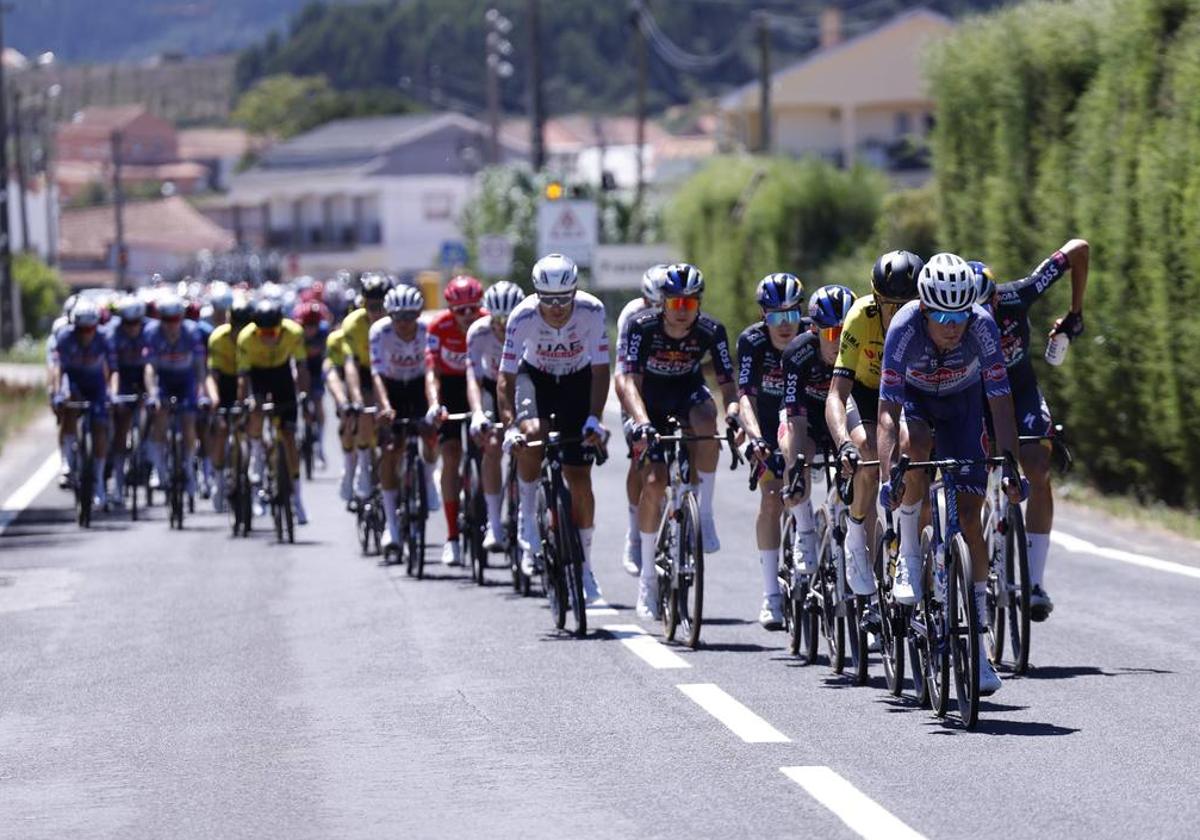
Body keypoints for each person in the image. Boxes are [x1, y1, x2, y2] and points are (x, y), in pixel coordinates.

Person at [877, 252, 1028, 696]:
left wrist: (1010, 466)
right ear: (924, 308)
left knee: (969, 519)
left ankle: (978, 652)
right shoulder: (903, 328)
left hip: (963, 409)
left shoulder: (982, 325)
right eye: (941, 314)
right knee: (914, 446)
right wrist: (890, 477)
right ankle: (908, 552)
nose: (952, 325)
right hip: (918, 407)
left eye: (959, 314)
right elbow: (886, 412)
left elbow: (1000, 402)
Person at [973, 239, 1089, 620]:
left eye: (987, 306)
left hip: (1020, 393)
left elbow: (1078, 249)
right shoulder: (948, 324)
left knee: (1038, 465)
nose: (982, 317)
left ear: (996, 297)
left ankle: (1034, 583)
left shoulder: (1017, 296)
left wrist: (1074, 315)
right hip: (974, 399)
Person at [621, 262, 738, 620]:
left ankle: (703, 514)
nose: (683, 313)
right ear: (663, 304)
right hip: (648, 400)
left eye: (690, 305)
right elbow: (628, 382)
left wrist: (732, 411)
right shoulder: (641, 326)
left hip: (687, 393)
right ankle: (647, 583)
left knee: (708, 421)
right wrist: (640, 422)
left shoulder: (710, 330)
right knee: (654, 483)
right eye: (676, 305)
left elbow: (726, 381)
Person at [497, 254, 611, 604]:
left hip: (577, 381)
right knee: (533, 433)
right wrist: (508, 425)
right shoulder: (523, 316)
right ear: (538, 295)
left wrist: (594, 417)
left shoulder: (592, 311)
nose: (558, 307)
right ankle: (527, 517)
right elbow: (506, 377)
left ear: (576, 291)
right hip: (538, 379)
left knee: (580, 479)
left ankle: (586, 568)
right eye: (549, 299)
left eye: (565, 298)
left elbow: (600, 370)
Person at [826, 250, 924, 596]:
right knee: (867, 454)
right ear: (875, 298)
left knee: (917, 452)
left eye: (906, 304)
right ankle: (855, 536)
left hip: (910, 394)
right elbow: (837, 394)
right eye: (889, 305)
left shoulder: (929, 318)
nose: (897, 314)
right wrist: (845, 445)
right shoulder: (860, 316)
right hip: (867, 395)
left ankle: (916, 554)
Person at [736, 273, 807, 630]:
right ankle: (771, 595)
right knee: (771, 498)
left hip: (801, 417)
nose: (785, 325)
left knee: (802, 488)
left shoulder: (813, 335)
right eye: (776, 317)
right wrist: (752, 436)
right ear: (764, 316)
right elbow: (744, 396)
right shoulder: (751, 341)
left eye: (792, 315)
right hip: (763, 422)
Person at [782, 284, 857, 573]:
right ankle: (804, 531)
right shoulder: (796, 353)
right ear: (814, 330)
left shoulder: (862, 350)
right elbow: (795, 418)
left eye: (845, 332)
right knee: (793, 448)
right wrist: (798, 467)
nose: (839, 341)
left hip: (845, 412)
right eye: (830, 333)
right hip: (806, 416)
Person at [426, 275, 485, 566]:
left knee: (490, 449)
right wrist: (435, 404)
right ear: (450, 309)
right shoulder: (438, 327)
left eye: (472, 308)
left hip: (482, 386)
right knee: (450, 455)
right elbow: (432, 373)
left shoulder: (488, 322)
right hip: (450, 387)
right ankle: (452, 538)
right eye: (459, 310)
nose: (466, 315)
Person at [613, 265, 668, 576]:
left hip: (669, 386)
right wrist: (636, 415)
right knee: (640, 459)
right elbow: (624, 372)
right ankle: (635, 532)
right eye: (654, 305)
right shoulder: (632, 316)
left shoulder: (680, 310)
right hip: (637, 385)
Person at [371, 286, 433, 555]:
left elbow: (432, 371)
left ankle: (428, 479)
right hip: (392, 388)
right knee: (390, 449)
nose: (405, 323)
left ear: (419, 314)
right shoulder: (380, 332)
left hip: (420, 385)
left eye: (411, 316)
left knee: (431, 433)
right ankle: (392, 526)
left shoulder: (427, 330)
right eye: (399, 317)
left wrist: (433, 407)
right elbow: (377, 374)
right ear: (390, 316)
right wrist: (384, 407)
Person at [237, 299, 311, 525]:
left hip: (282, 376)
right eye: (263, 333)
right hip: (258, 376)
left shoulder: (293, 332)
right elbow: (243, 377)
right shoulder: (246, 339)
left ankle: (297, 498)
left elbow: (301, 367)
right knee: (256, 410)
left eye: (273, 332)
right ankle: (257, 458)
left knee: (289, 436)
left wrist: (304, 396)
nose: (268, 337)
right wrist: (243, 404)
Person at [467, 280, 526, 550]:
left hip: (522, 384)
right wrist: (478, 413)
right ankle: (493, 522)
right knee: (491, 445)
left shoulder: (529, 328)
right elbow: (473, 377)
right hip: (491, 386)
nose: (502, 325)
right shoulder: (478, 333)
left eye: (509, 318)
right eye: (497, 318)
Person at [142, 294, 207, 500]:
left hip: (185, 381)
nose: (171, 325)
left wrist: (203, 391)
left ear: (181, 318)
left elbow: (200, 367)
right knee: (159, 416)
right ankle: (158, 468)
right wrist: (152, 393)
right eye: (166, 320)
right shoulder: (152, 332)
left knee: (189, 424)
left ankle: (188, 468)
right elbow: (150, 367)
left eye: (175, 319)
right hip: (164, 381)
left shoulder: (192, 332)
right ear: (160, 319)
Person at [49, 300, 111, 507]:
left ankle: (100, 482)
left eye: (90, 329)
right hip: (73, 383)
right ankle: (67, 460)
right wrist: (58, 392)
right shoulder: (65, 337)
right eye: (81, 329)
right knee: (68, 405)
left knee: (100, 429)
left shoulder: (103, 337)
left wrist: (111, 392)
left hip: (96, 386)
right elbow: (58, 368)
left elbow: (112, 368)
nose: (85, 334)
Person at [341, 273, 393, 501]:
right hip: (364, 372)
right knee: (363, 414)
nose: (378, 312)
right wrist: (357, 400)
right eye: (372, 306)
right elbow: (350, 365)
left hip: (392, 372)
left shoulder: (399, 320)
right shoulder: (352, 324)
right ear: (363, 305)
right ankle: (362, 467)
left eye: (382, 306)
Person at [206, 297, 254, 512]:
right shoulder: (217, 338)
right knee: (222, 430)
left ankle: (256, 478)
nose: (239, 332)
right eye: (236, 327)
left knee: (256, 430)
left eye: (243, 327)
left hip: (249, 381)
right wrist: (214, 399)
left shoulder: (254, 338)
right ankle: (217, 480)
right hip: (225, 382)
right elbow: (212, 375)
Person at [105, 296, 149, 507]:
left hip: (144, 376)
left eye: (135, 322)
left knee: (152, 413)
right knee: (121, 421)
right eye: (127, 323)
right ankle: (119, 485)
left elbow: (153, 366)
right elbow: (112, 368)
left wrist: (152, 393)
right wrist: (113, 396)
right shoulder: (112, 333)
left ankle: (148, 454)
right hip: (121, 376)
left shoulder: (151, 330)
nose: (131, 327)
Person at [295, 299, 331, 469]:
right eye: (306, 325)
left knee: (318, 403)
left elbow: (328, 356)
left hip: (316, 370)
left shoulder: (324, 332)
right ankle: (303, 426)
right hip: (300, 369)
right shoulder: (296, 333)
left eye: (313, 325)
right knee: (300, 400)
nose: (309, 329)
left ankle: (320, 447)